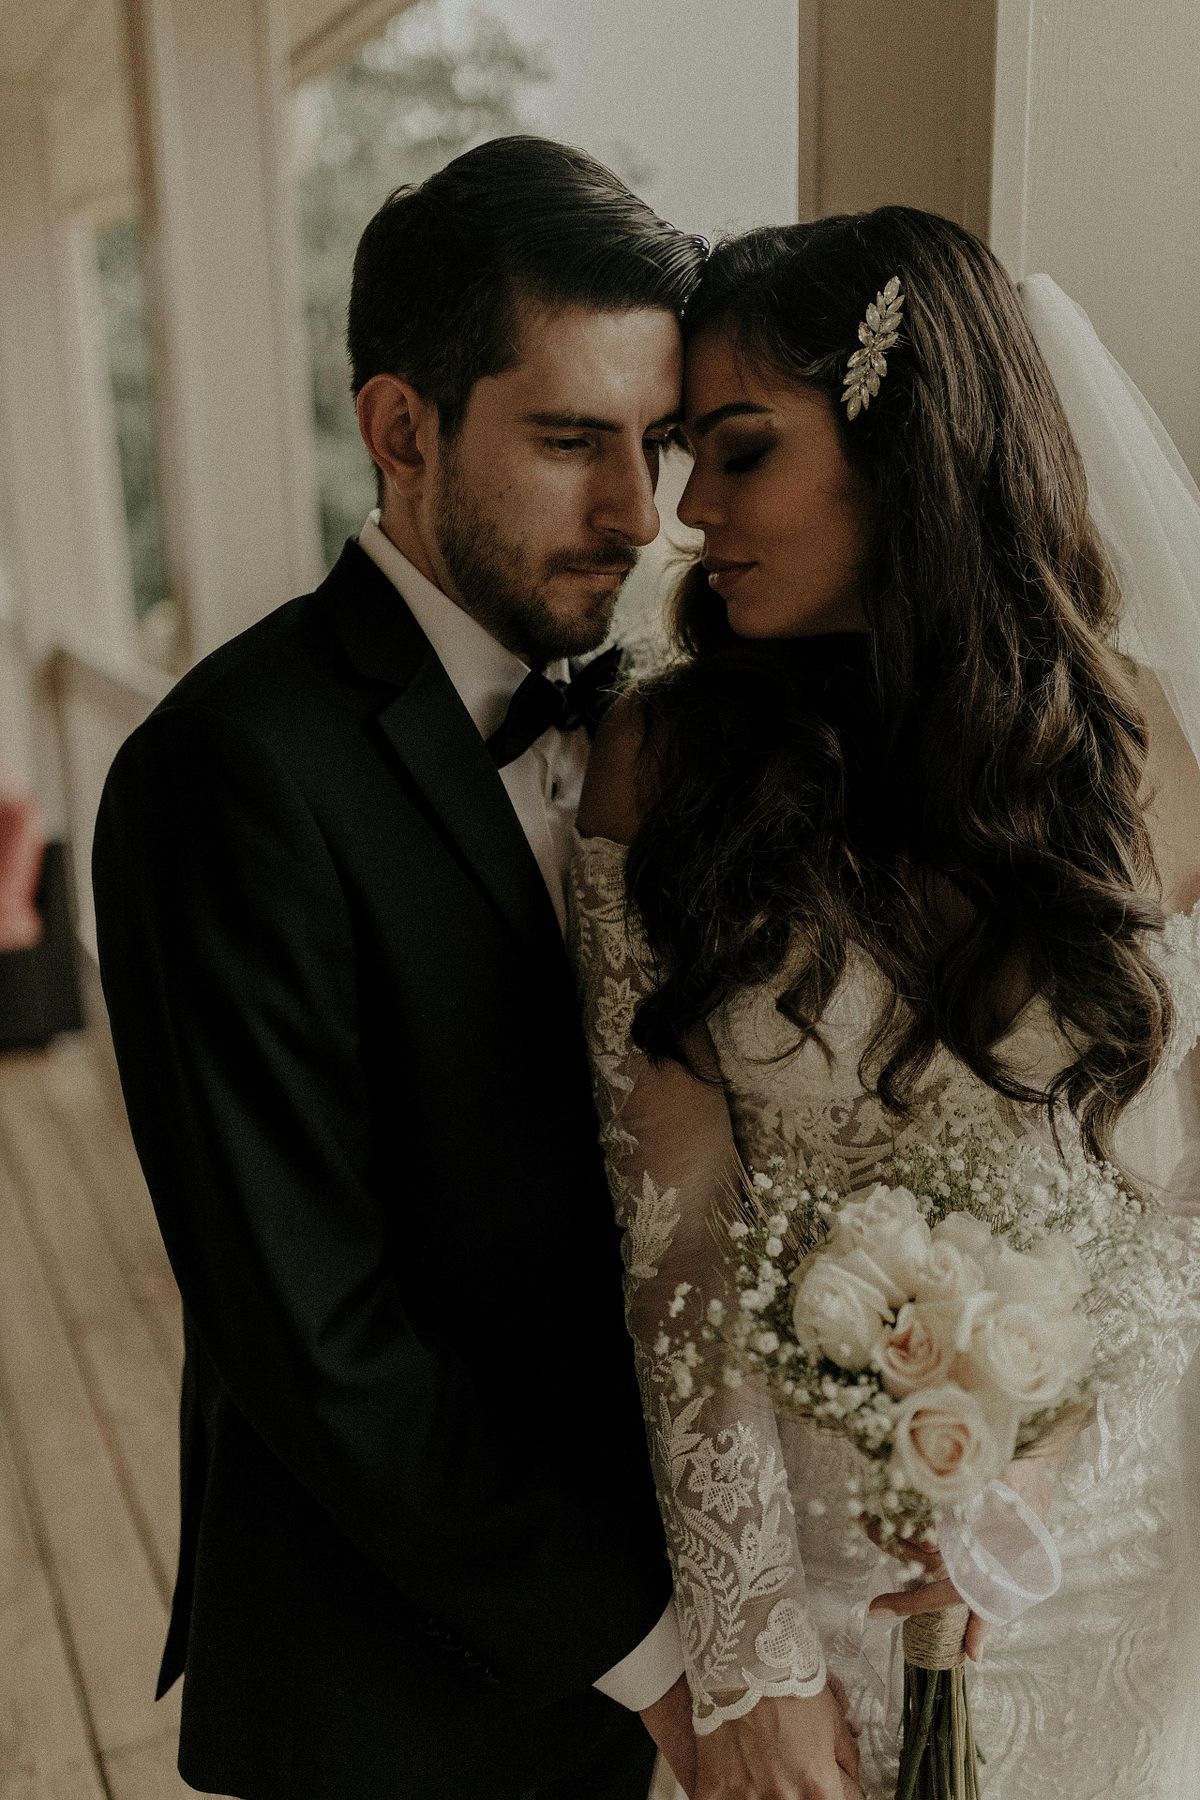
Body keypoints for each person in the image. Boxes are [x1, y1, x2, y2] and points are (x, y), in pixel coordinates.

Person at [91, 136, 708, 1800]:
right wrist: (658, 1656)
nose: (637, 513)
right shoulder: (226, 772)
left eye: (661, 443)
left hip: (674, 1622)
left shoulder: (658, 723)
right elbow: (318, 1334)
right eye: (574, 439)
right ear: (401, 430)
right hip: (396, 1690)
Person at [570, 207, 1200, 1800]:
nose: (686, 513)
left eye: (737, 451)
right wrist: (752, 1650)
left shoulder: (1140, 756)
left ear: (904, 445)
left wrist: (1035, 1478)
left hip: (1104, 1552)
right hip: (816, 1576)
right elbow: (678, 1242)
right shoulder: (665, 768)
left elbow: (1180, 1189)